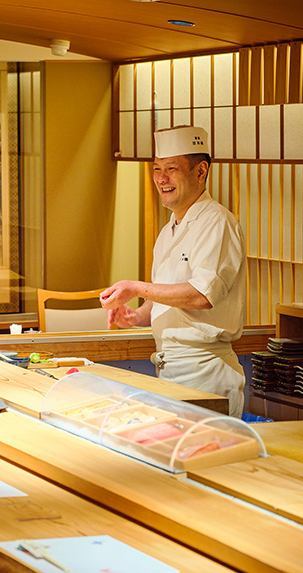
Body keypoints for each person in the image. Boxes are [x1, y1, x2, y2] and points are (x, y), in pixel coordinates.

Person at [100, 125, 246, 418]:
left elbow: (202, 295)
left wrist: (137, 287)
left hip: (205, 372)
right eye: (157, 169)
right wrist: (136, 315)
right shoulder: (168, 231)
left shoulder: (217, 222)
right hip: (169, 372)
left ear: (200, 171)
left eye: (171, 168)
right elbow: (161, 301)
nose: (161, 178)